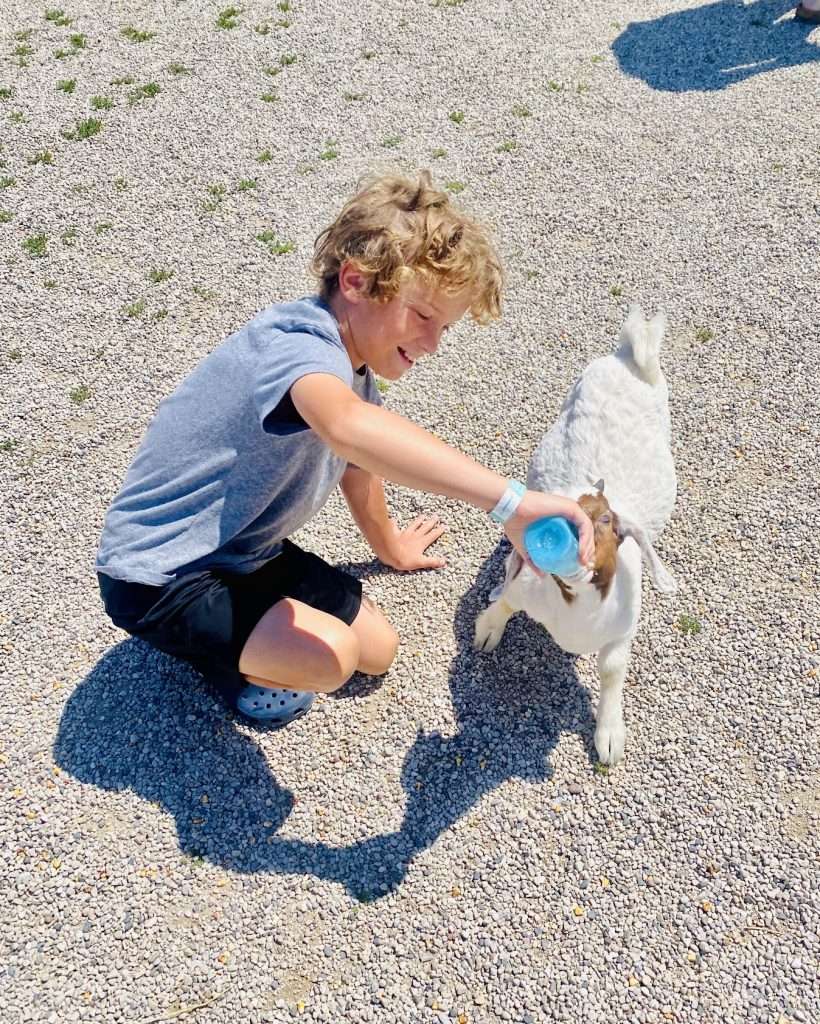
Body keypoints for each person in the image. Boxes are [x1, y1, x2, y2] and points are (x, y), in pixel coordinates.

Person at [96, 171, 594, 726]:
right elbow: (347, 430)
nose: (432, 345)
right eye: (423, 316)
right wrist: (512, 503)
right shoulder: (298, 348)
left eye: (445, 329)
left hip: (244, 550)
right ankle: (223, 668)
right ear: (356, 282)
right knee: (332, 658)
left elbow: (360, 464)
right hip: (159, 574)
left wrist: (391, 549)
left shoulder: (356, 375)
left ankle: (258, 635)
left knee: (376, 651)